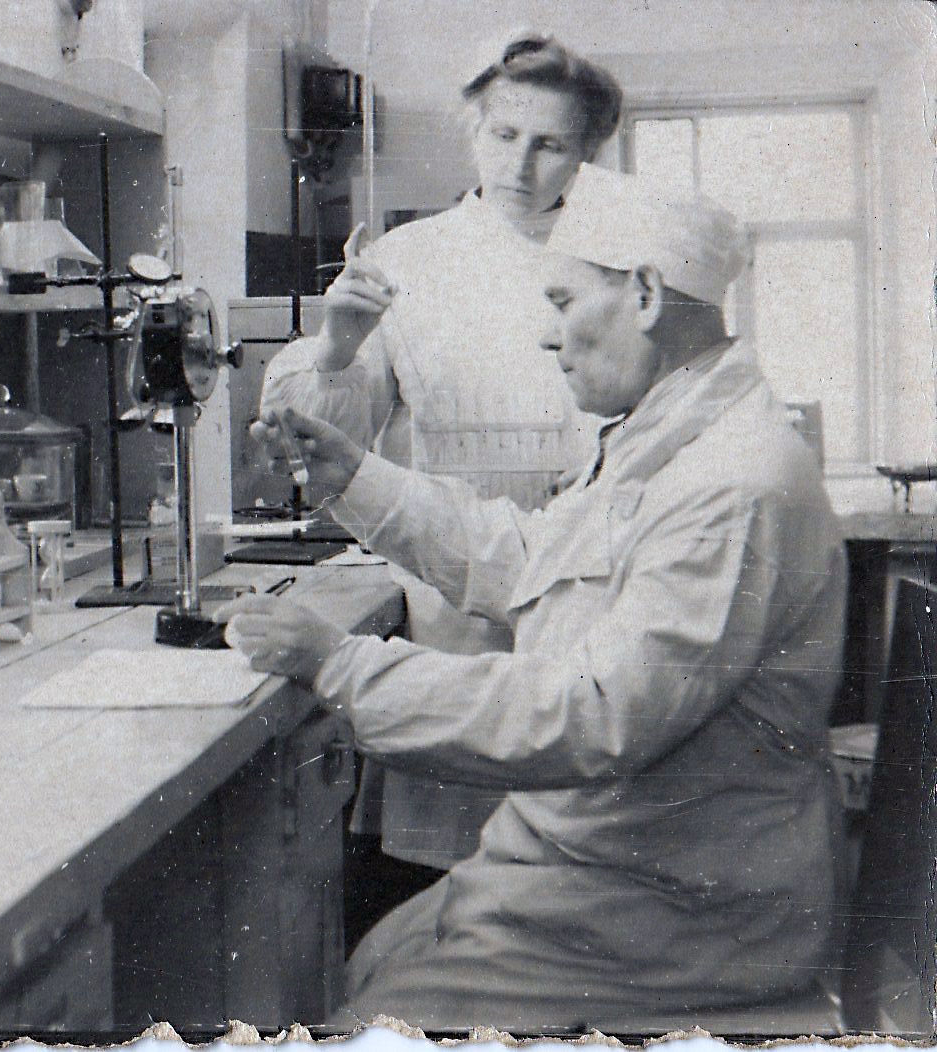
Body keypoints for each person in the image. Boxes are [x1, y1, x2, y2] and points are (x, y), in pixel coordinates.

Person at [223, 163, 847, 1030]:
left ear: (645, 295)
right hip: (608, 871)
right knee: (364, 962)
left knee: (351, 1019)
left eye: (561, 303)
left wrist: (342, 665)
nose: (548, 339)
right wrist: (354, 477)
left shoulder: (732, 483)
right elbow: (529, 558)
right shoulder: (666, 437)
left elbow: (591, 714)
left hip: (672, 915)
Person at [259, 30, 624, 878]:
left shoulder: (618, 262)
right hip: (453, 596)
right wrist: (340, 343)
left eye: (550, 144)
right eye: (505, 135)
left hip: (591, 591)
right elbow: (323, 433)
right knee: (457, 858)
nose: (521, 165)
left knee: (576, 855)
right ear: (473, 131)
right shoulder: (408, 259)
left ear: (588, 154)